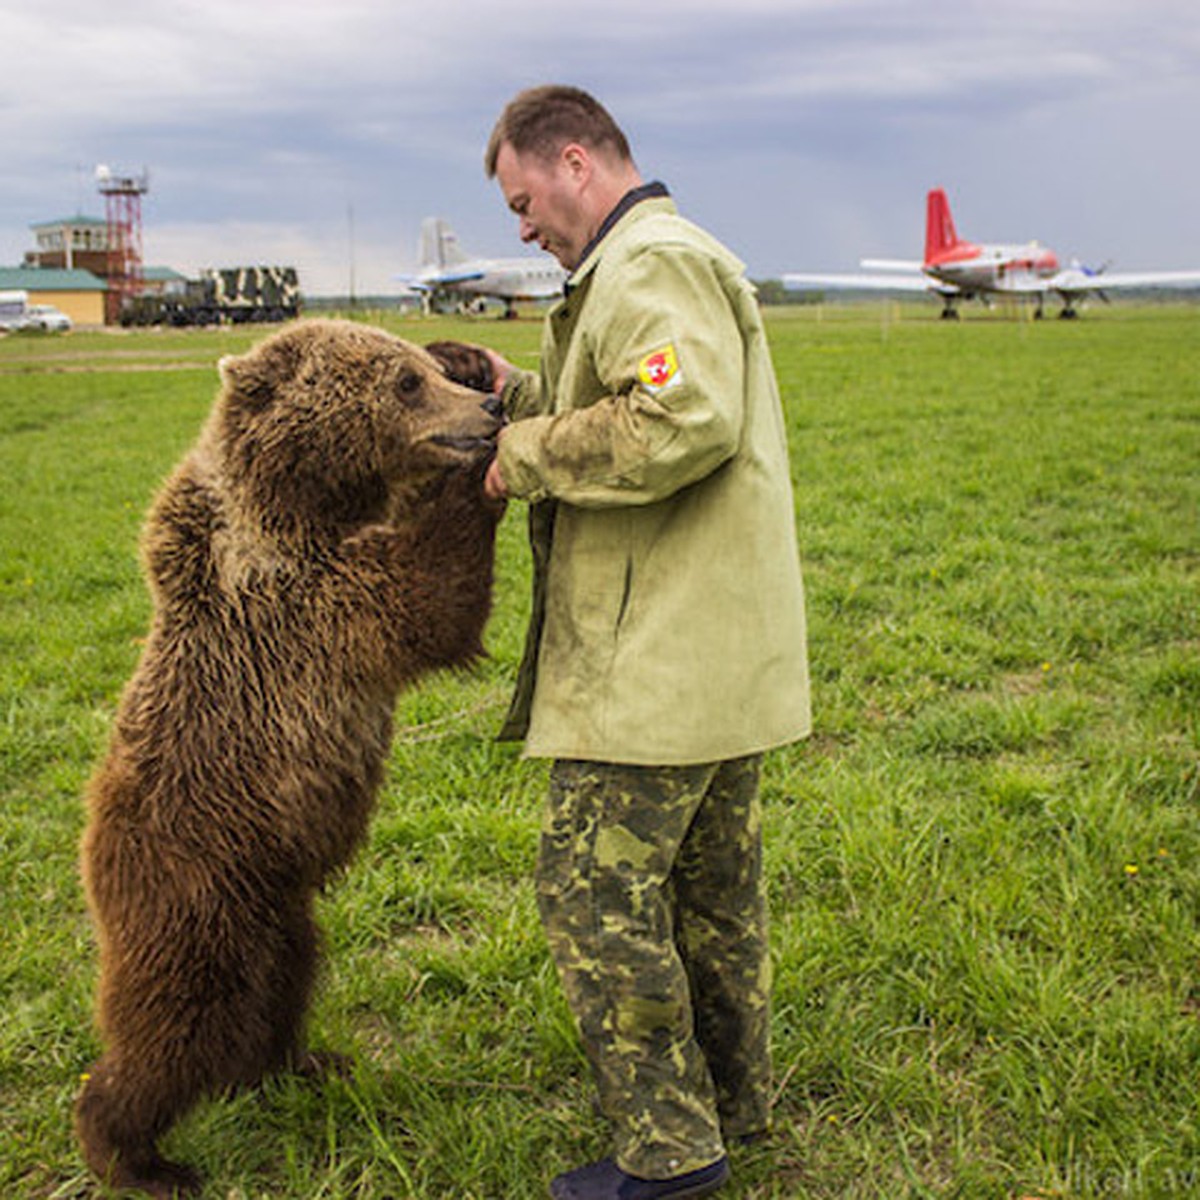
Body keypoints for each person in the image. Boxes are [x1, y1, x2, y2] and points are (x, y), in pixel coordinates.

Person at [479, 85, 811, 1200]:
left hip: (656, 662)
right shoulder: (641, 267)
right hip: (719, 656)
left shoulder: (648, 264)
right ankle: (733, 1102)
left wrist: (522, 454)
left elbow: (678, 418)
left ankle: (671, 1155)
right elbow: (628, 393)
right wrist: (512, 395)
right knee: (712, 891)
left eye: (525, 200)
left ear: (576, 161)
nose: (522, 226)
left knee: (591, 897)